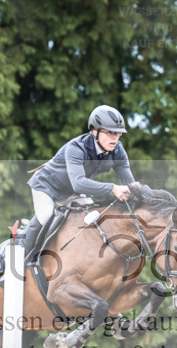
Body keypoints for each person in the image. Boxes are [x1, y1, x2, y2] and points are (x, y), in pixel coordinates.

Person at [20, 104, 137, 263]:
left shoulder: (118, 151)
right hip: (47, 186)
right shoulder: (76, 148)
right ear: (95, 132)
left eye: (117, 134)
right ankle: (19, 259)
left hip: (71, 192)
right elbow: (79, 184)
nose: (114, 138)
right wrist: (113, 189)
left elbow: (130, 183)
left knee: (94, 216)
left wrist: (143, 193)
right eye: (109, 133)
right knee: (46, 216)